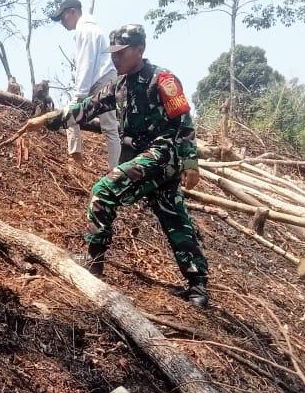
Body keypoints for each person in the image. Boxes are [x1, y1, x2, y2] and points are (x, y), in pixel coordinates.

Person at [22, 23, 210, 308]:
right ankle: (198, 286)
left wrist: (190, 163)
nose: (115, 58)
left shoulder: (163, 79)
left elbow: (183, 122)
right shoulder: (118, 86)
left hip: (163, 152)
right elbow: (85, 108)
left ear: (139, 50)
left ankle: (94, 262)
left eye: (121, 53)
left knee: (105, 189)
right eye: (112, 53)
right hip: (141, 155)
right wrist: (47, 119)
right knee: (173, 216)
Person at [49, 0, 121, 171]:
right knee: (110, 127)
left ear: (73, 12)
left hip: (101, 79)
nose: (62, 23)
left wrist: (80, 95)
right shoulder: (90, 29)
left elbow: (85, 63)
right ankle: (114, 169)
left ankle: (78, 158)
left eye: (63, 18)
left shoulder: (86, 30)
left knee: (71, 114)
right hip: (103, 78)